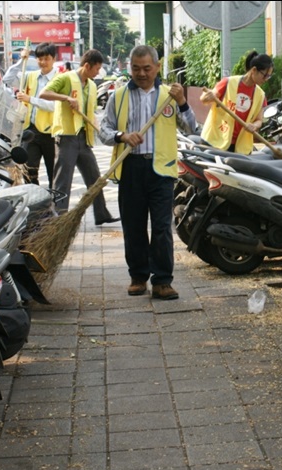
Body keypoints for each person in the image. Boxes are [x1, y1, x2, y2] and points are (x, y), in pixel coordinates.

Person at [99, 45, 197, 300]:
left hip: (161, 169)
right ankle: (138, 277)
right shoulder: (118, 96)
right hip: (130, 166)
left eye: (146, 68)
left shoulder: (169, 95)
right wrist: (122, 136)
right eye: (136, 68)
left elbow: (191, 128)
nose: (141, 73)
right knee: (133, 226)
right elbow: (104, 130)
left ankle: (163, 280)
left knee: (163, 227)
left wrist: (183, 102)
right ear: (129, 67)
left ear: (156, 67)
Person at [38, 49, 118, 226]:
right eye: (96, 69)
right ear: (87, 66)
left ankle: (101, 213)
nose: (98, 73)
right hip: (66, 137)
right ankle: (59, 219)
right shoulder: (65, 78)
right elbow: (43, 93)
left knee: (95, 177)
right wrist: (66, 97)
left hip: (84, 137)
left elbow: (91, 112)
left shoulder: (91, 85)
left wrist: (99, 128)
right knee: (63, 181)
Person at [199, 51, 273, 154]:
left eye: (269, 76)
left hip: (239, 147)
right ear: (254, 70)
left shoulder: (260, 95)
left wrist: (254, 126)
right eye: (264, 75)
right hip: (215, 140)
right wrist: (208, 96)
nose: (266, 79)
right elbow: (203, 100)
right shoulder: (228, 82)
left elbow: (259, 120)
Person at [11, 42, 58, 188]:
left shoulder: (60, 79)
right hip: (30, 131)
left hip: (52, 133)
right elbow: (7, 79)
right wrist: (21, 60)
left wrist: (30, 99)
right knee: (29, 171)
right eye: (39, 59)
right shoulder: (30, 76)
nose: (43, 62)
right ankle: (36, 204)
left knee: (54, 173)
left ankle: (55, 206)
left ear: (54, 59)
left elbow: (55, 106)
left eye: (47, 59)